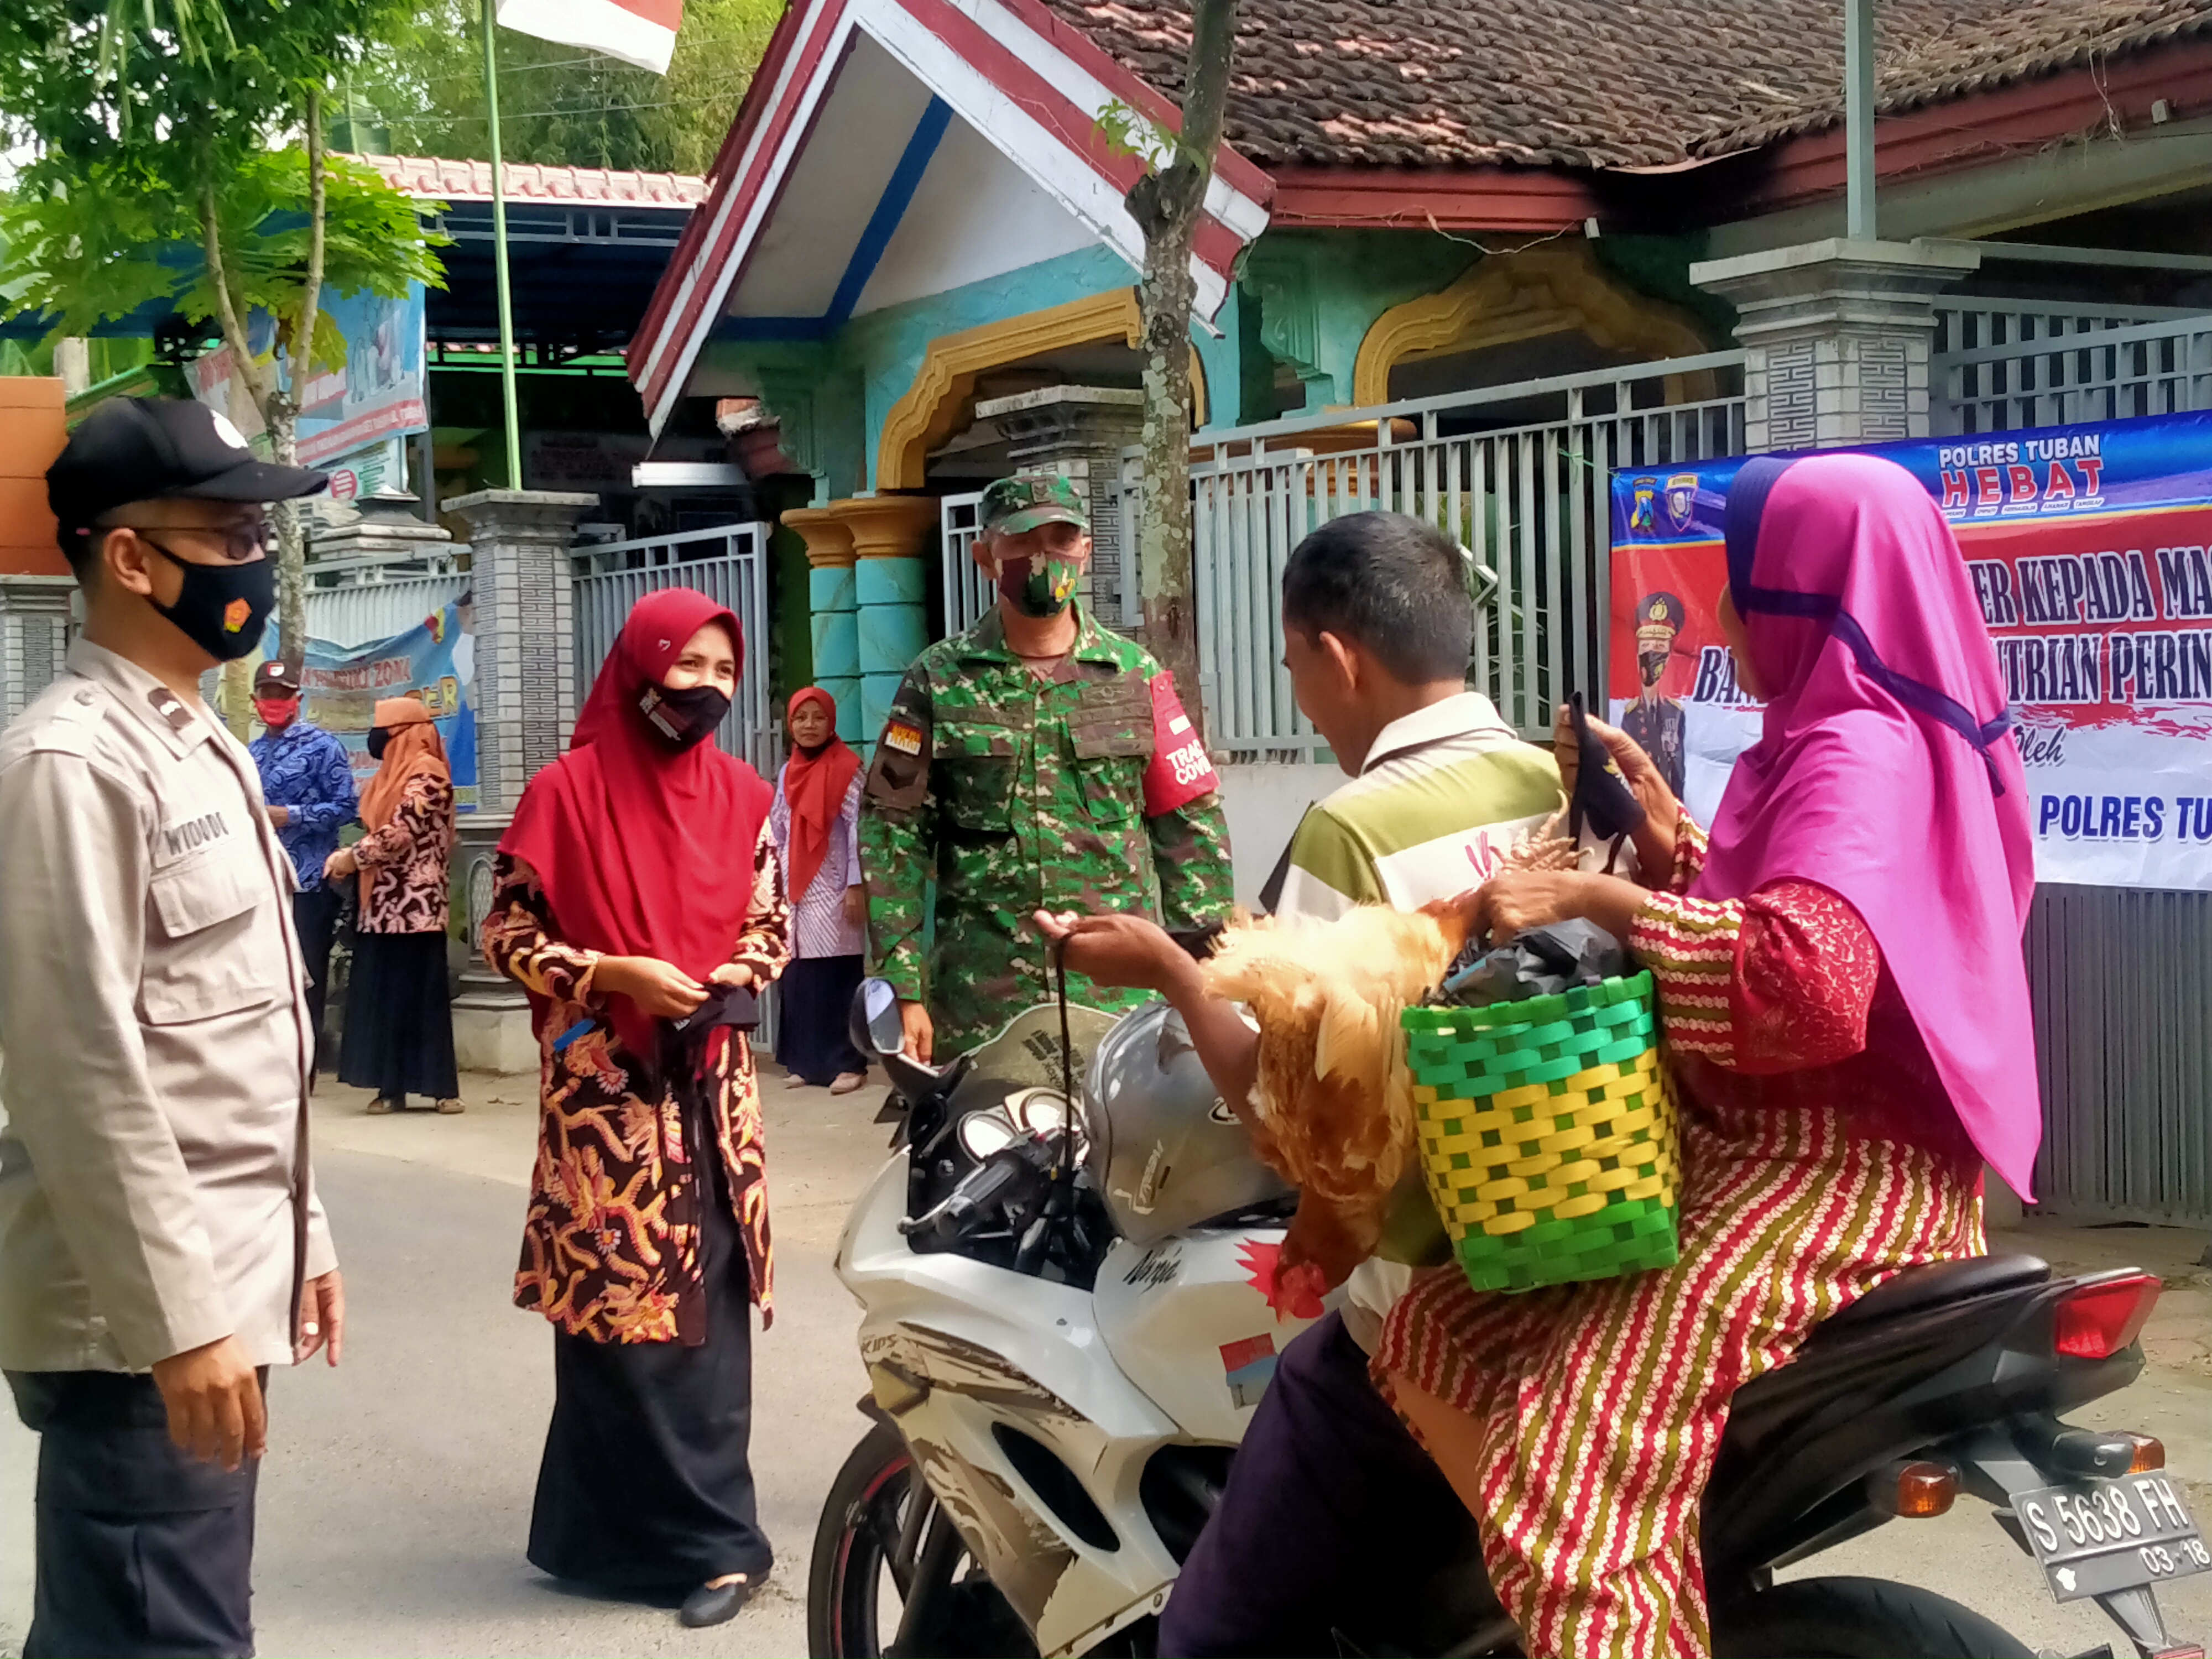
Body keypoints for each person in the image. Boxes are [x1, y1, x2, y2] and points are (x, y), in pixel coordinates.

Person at [1373, 451, 2035, 1659]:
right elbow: (1809, 922)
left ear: (1803, 594)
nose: (1724, 614)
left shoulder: (1856, 753)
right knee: (1440, 1332)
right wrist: (1663, 843)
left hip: (1831, 1183)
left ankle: (1601, 1593)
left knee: (1569, 1479)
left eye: (1744, 581)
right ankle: (1626, 1611)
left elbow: (1807, 987)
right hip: (1765, 1157)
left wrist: (1600, 900)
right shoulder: (1859, 736)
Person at [1039, 509, 1565, 1659]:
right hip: (1577, 1248)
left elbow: (1294, 1118)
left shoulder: (1350, 833)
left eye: (1292, 666)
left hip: (1423, 1297)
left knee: (1211, 1632)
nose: (1304, 700)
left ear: (1337, 655)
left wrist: (1173, 974)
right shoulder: (1551, 779)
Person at [0, 396, 344, 1659]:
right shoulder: (72, 763)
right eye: (228, 533)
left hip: (219, 1280)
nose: (254, 559)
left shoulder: (200, 741)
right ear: (130, 557)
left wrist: (304, 1230)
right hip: (140, 1324)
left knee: (158, 1622)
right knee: (161, 1632)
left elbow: (243, 1038)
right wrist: (180, 1320)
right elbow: (78, 1071)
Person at [483, 587, 789, 1630]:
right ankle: (598, 1538)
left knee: (698, 1318)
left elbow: (770, 924)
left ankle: (719, 1549)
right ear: (641, 666)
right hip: (605, 1104)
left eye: (724, 671)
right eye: (687, 665)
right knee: (609, 1316)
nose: (707, 687)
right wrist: (609, 973)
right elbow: (506, 935)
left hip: (709, 1093)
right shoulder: (565, 793)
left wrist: (730, 976)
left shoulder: (743, 795)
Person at [861, 472, 1234, 1061]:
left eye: (1060, 540)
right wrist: (903, 987)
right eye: (1022, 542)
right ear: (985, 557)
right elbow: (893, 833)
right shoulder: (937, 679)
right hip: (983, 1005)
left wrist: (1207, 980)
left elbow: (1190, 830)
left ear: (1085, 551)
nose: (1043, 557)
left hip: (1119, 1003)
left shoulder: (1135, 675)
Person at [327, 697, 461, 1115]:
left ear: (407, 733)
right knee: (386, 1000)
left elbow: (401, 831)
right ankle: (391, 1088)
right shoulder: (388, 777)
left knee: (421, 999)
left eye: (385, 731)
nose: (378, 740)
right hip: (381, 907)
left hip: (416, 911)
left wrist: (351, 858)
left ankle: (440, 1089)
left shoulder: (428, 775)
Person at [248, 656, 359, 1072]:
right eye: (267, 694)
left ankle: (306, 1066)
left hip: (309, 882)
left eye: (282, 695)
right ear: (255, 699)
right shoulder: (249, 753)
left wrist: (291, 816)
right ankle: (270, 1064)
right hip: (261, 882)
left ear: (298, 698)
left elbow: (346, 806)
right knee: (264, 975)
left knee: (307, 974)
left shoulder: (323, 747)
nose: (274, 702)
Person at [769, 686, 869, 1092]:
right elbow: (776, 828)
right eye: (801, 718)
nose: (809, 725)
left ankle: (849, 1065)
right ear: (790, 724)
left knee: (836, 977)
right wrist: (771, 884)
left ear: (832, 722)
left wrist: (856, 885)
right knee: (798, 977)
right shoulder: (787, 772)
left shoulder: (848, 768)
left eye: (818, 717)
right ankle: (805, 1065)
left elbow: (859, 829)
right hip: (794, 889)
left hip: (834, 887)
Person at [1619, 588, 1689, 797]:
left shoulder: (1676, 712)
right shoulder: (1630, 714)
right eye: (1646, 646)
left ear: (1668, 656)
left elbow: (1679, 769)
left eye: (1659, 647)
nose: (1652, 654)